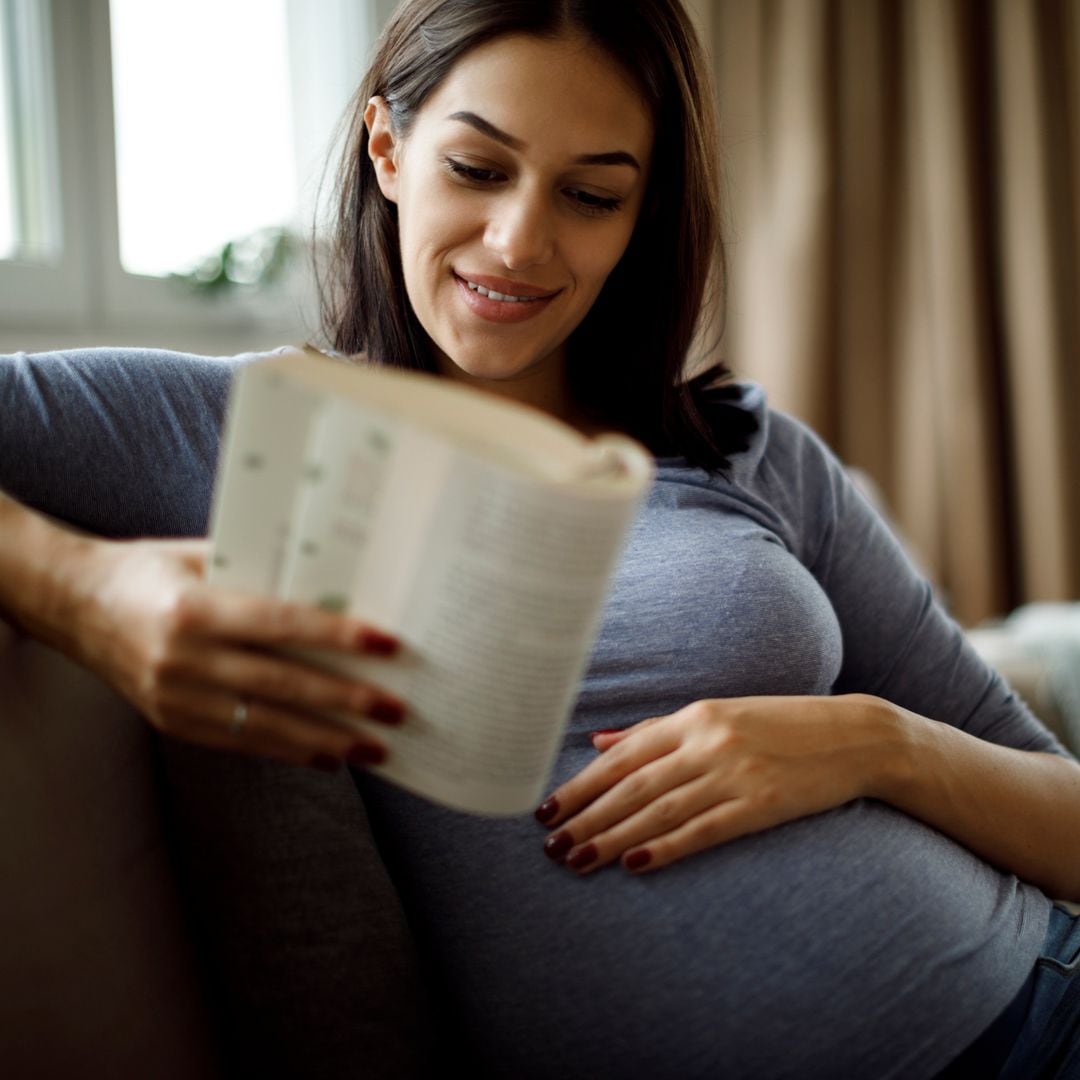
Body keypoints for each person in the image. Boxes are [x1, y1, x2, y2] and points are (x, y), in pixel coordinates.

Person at [2, 1, 1079, 1076]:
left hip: (1043, 998)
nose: (519, 242)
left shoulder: (748, 450)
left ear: (641, 213)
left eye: (591, 195)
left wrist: (871, 746)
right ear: (388, 149)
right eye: (476, 168)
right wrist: (83, 595)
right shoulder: (237, 428)